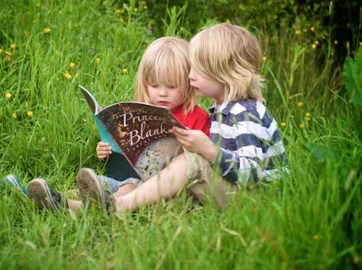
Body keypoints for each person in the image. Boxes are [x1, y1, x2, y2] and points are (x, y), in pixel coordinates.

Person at [77, 23, 288, 213]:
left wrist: (207, 150)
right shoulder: (222, 109)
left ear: (226, 74)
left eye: (199, 69)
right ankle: (72, 205)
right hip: (227, 190)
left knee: (189, 161)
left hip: (258, 199)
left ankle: (119, 206)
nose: (190, 75)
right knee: (147, 189)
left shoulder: (246, 112)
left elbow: (252, 174)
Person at [23, 36, 211, 212]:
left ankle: (71, 206)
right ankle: (48, 196)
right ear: (144, 83)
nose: (162, 93)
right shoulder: (139, 114)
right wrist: (107, 149)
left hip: (163, 189)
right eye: (154, 85)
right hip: (130, 177)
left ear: (188, 84)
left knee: (127, 187)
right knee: (102, 183)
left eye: (171, 86)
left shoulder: (197, 117)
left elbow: (202, 163)